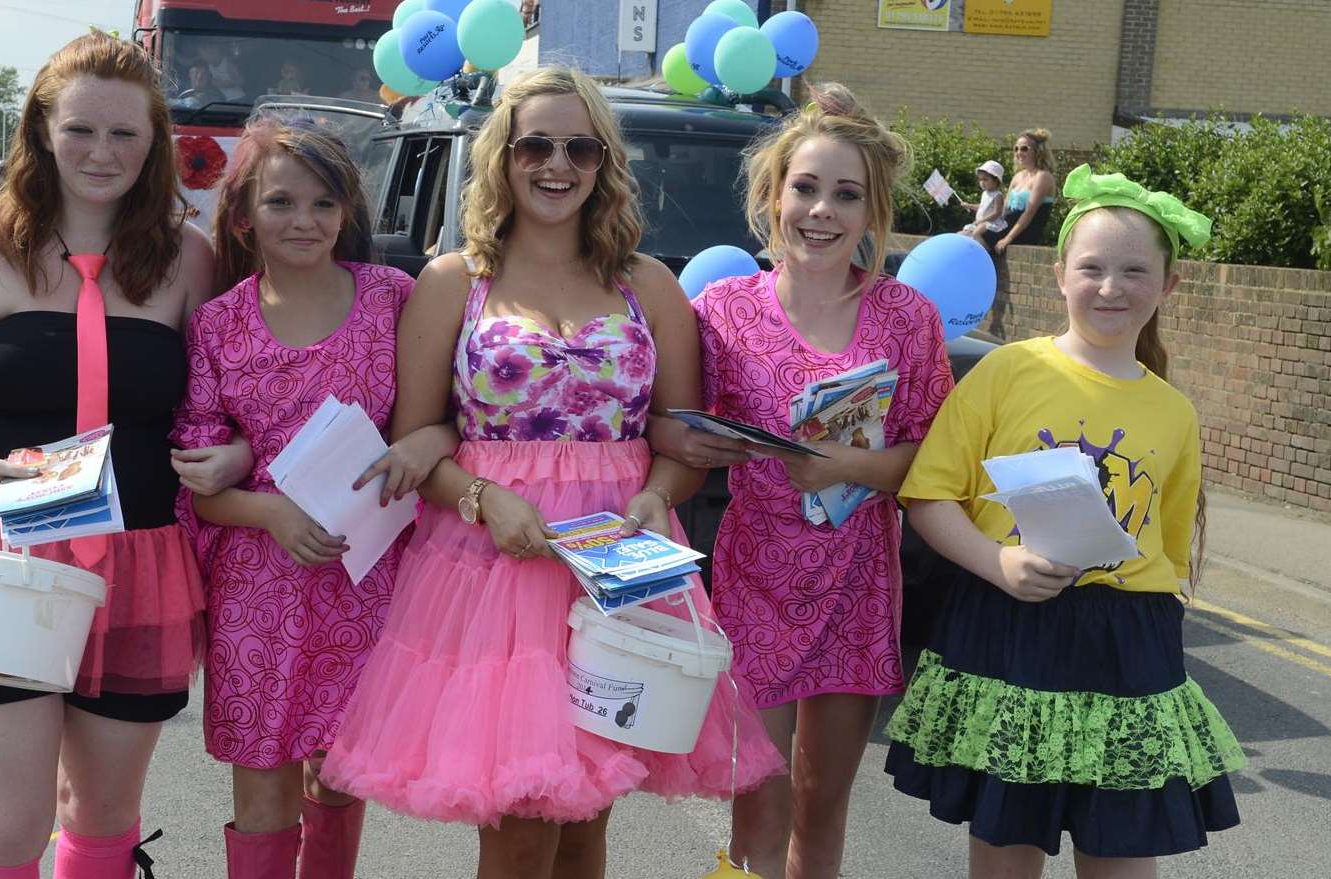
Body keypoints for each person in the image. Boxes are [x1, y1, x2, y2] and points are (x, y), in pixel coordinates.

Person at [317, 67, 785, 879]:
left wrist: (653, 496)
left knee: (584, 819)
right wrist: (482, 495)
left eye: (580, 147)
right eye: (536, 143)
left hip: (618, 566)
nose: (556, 163)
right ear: (503, 154)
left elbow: (677, 441)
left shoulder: (648, 285)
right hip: (496, 569)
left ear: (605, 163)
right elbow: (418, 437)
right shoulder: (454, 280)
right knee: (522, 822)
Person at [0, 32, 252, 879]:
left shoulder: (189, 259)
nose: (101, 151)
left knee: (104, 816)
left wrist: (232, 454)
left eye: (125, 133)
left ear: (155, 140)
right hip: (0, 560)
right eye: (81, 128)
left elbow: (236, 403)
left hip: (142, 562)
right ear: (42, 129)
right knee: (5, 831)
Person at [885, 164, 1244, 877]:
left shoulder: (1174, 412)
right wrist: (998, 563)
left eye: (1135, 270)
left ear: (1168, 287)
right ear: (1060, 275)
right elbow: (927, 496)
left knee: (1121, 853)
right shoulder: (1007, 371)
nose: (1111, 286)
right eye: (1093, 267)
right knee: (1006, 851)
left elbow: (1165, 554)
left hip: (1127, 644)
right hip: (1009, 626)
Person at [647, 83, 955, 879]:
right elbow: (666, 423)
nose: (822, 210)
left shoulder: (906, 316)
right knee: (758, 799)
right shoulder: (721, 308)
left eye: (845, 194)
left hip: (857, 588)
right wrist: (696, 442)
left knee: (822, 807)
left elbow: (931, 458)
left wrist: (843, 465)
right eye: (806, 188)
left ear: (871, 210)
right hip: (755, 584)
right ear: (772, 197)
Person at [171, 117, 457, 879]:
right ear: (242, 217)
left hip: (366, 581)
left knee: (339, 775)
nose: (305, 221)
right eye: (281, 203)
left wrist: (429, 442)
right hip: (257, 592)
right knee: (265, 786)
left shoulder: (395, 298)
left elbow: (450, 415)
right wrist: (267, 507)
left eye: (324, 204)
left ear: (347, 212)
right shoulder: (217, 326)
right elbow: (197, 484)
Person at [987, 128, 1056, 253]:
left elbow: (1029, 212)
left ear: (1037, 151)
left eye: (1024, 148)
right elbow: (1004, 210)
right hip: (1007, 225)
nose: (1019, 152)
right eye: (1016, 148)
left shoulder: (1043, 177)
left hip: (1025, 233)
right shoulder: (1017, 176)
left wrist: (1008, 238)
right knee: (968, 233)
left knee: (980, 237)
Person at [960, 159, 1007, 247]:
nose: (982, 182)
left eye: (985, 179)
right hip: (981, 222)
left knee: (976, 232)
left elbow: (997, 213)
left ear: (996, 180)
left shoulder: (997, 195)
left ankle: (987, 252)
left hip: (992, 223)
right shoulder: (984, 194)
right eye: (980, 179)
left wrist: (981, 221)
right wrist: (969, 205)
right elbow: (982, 207)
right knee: (964, 232)